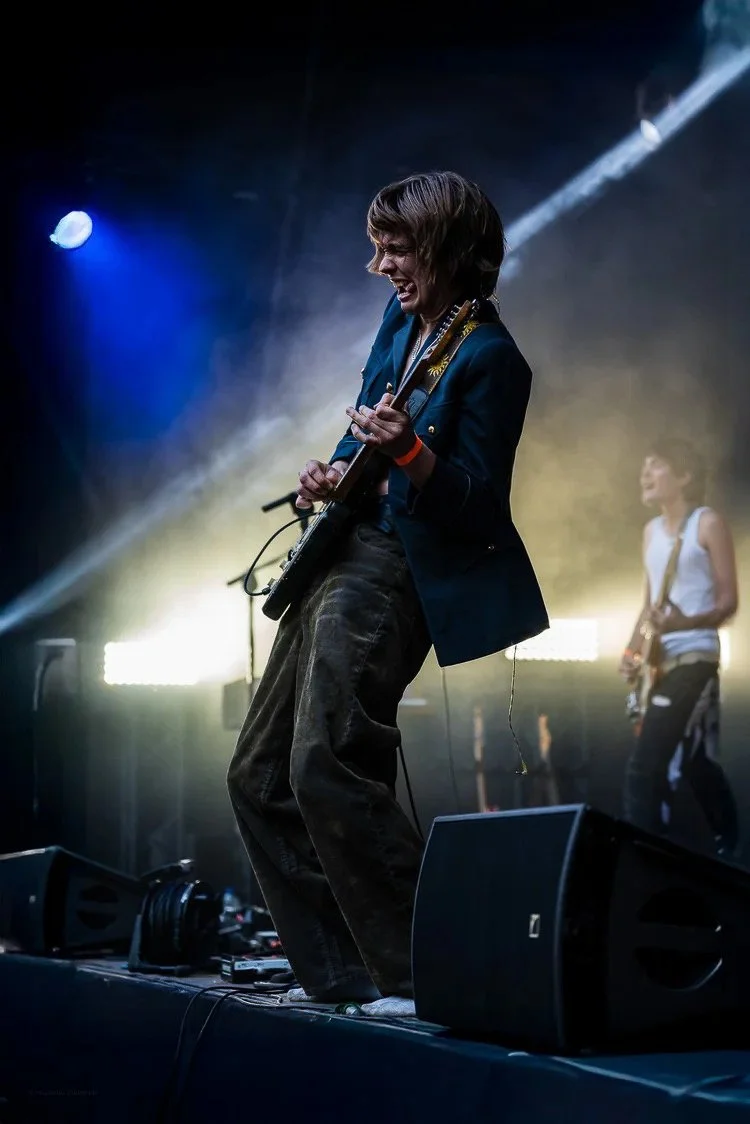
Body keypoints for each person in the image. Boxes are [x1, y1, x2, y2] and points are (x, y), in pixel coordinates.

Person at [227, 170, 548, 1016]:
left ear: (442, 246)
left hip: (397, 566)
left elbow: (478, 507)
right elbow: (366, 420)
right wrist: (331, 471)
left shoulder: (491, 358)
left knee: (328, 758)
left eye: (394, 247)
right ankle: (342, 979)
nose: (379, 265)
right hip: (342, 544)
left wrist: (409, 456)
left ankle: (420, 974)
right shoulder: (400, 323)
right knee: (258, 775)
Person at [619, 437, 739, 855]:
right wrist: (632, 651)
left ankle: (642, 856)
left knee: (645, 763)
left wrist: (683, 622)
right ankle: (730, 841)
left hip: (697, 657)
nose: (645, 473)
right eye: (645, 466)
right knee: (689, 760)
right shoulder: (650, 532)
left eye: (656, 465)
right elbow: (649, 605)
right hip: (663, 662)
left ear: (684, 476)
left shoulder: (707, 523)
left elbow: (729, 602)